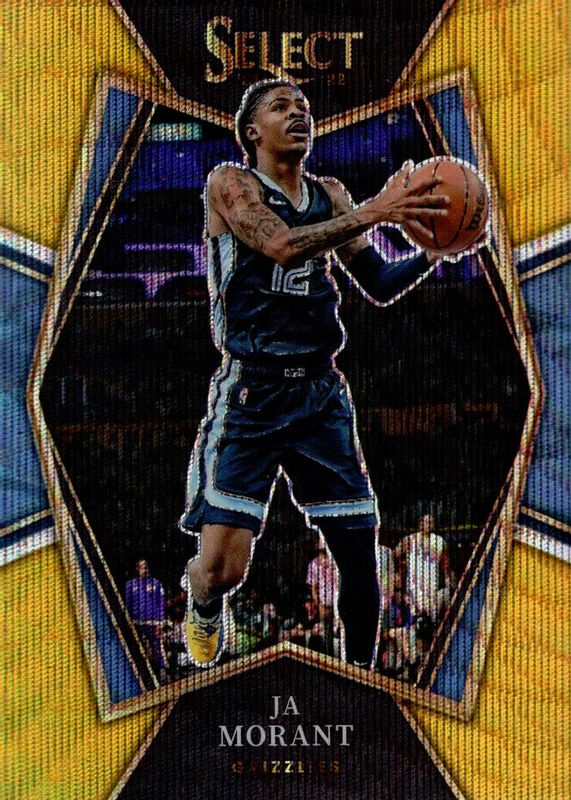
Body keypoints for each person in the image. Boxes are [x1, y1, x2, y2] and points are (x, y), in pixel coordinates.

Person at [178, 78, 453, 670]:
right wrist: (377, 211)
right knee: (223, 572)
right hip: (251, 391)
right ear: (252, 131)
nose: (298, 112)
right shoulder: (230, 183)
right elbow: (280, 245)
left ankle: (362, 683)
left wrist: (434, 252)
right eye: (281, 107)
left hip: (320, 393)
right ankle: (201, 601)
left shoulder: (330, 194)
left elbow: (378, 283)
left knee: (360, 553)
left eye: (303, 106)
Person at [395, 514, 450, 624]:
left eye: (431, 522)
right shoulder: (410, 540)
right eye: (426, 522)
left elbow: (446, 566)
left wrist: (448, 580)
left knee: (432, 617)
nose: (428, 524)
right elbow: (395, 555)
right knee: (419, 614)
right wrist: (400, 570)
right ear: (420, 524)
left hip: (432, 586)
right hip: (414, 586)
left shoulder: (440, 541)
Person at [124, 559, 166, 677]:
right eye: (141, 567)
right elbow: (127, 604)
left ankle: (159, 672)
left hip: (152, 623)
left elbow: (161, 602)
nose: (144, 570)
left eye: (145, 567)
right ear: (137, 569)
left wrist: (160, 622)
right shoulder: (130, 585)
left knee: (156, 647)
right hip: (136, 623)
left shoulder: (156, 583)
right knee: (137, 648)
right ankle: (141, 673)